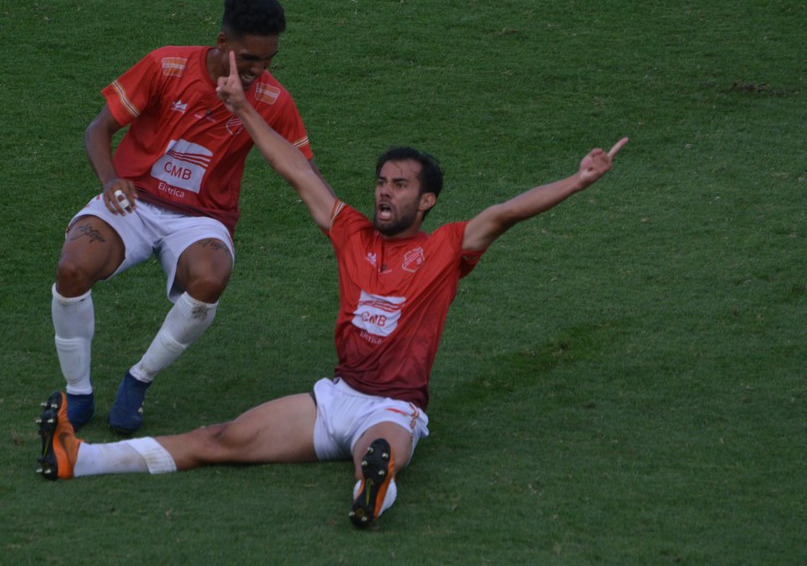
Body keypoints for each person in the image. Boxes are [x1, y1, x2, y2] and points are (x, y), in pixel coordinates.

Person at [36, 51, 629, 528]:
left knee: (383, 452)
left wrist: (577, 181)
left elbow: (505, 213)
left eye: (399, 186)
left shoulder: (447, 247)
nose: (384, 193)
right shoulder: (351, 232)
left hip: (395, 405)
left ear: (426, 201)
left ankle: (373, 489)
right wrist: (242, 109)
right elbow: (294, 169)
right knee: (217, 440)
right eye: (380, 182)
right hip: (333, 398)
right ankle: (79, 459)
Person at [50, 0, 321, 435]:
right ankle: (77, 391)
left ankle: (138, 380)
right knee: (72, 268)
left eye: (269, 60)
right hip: (132, 200)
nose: (259, 71)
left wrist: (349, 224)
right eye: (249, 59)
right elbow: (98, 128)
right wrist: (110, 179)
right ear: (221, 43)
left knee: (211, 276)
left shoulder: (272, 100)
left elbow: (303, 170)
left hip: (201, 219)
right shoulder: (166, 66)